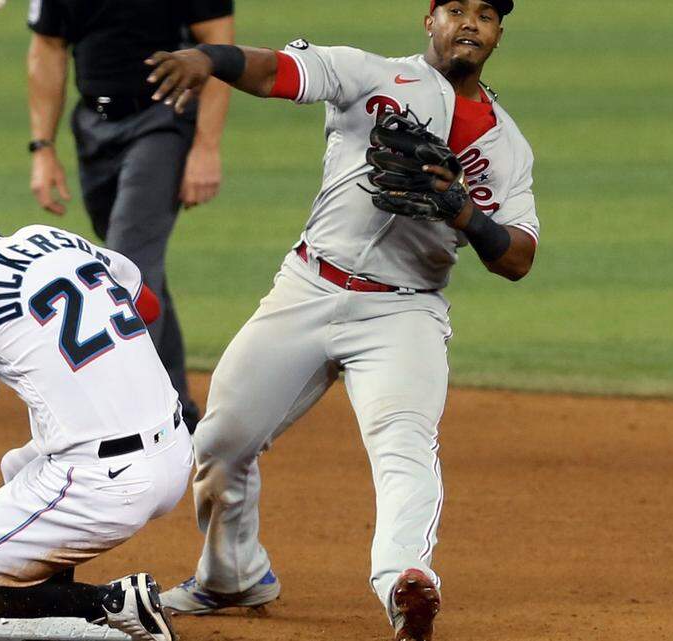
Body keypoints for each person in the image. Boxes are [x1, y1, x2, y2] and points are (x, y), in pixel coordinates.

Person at [143, 1, 537, 640]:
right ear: (429, 21)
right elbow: (276, 72)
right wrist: (206, 59)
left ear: (498, 34)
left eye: (487, 14)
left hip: (403, 311)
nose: (470, 23)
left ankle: (406, 582)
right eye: (456, 9)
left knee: (404, 445)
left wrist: (465, 213)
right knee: (219, 443)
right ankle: (230, 576)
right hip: (307, 287)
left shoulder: (505, 146)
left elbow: (518, 257)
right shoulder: (371, 75)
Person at [0, 212, 194, 641]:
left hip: (107, 486)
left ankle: (112, 604)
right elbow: (147, 306)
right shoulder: (51, 237)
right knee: (18, 466)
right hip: (176, 448)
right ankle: (47, 615)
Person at [25, 0, 235, 430]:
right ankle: (179, 406)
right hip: (92, 126)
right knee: (137, 268)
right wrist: (42, 149)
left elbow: (219, 43)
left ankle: (132, 415)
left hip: (164, 119)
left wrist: (206, 146)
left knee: (126, 262)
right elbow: (47, 47)